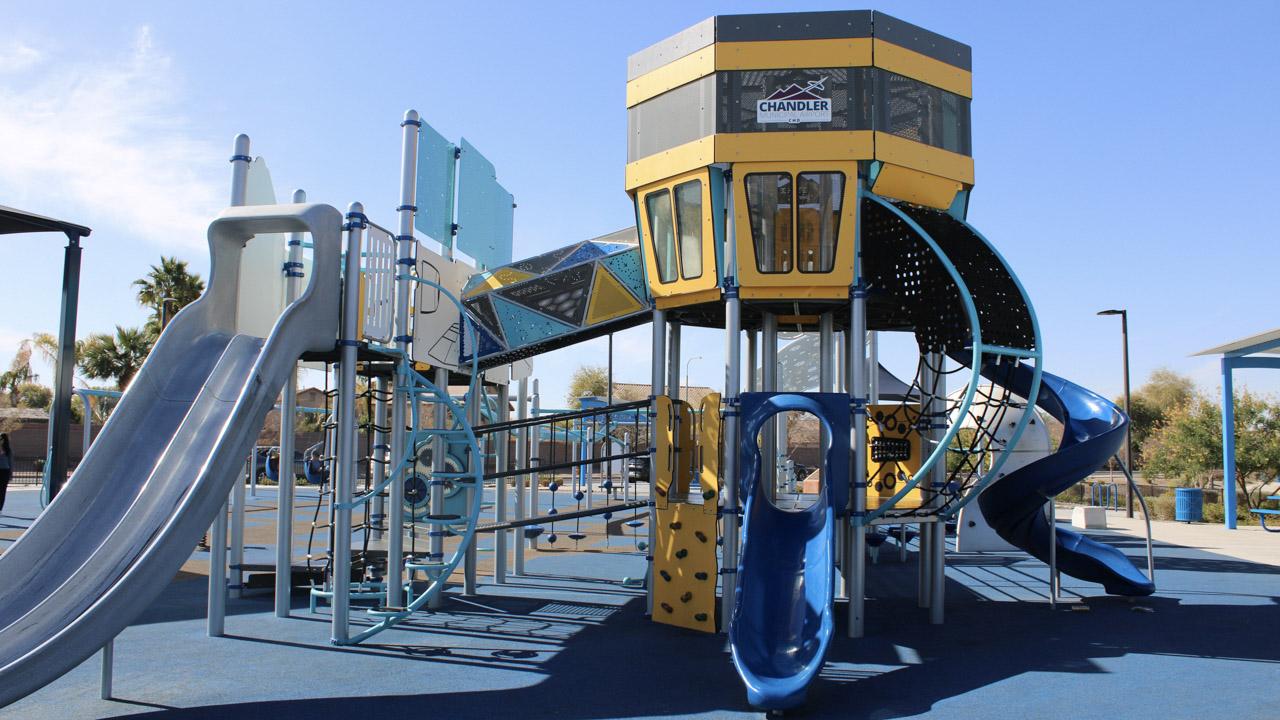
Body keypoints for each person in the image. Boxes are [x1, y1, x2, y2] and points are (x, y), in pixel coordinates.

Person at [0, 433, 12, 514]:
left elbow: (10, 461)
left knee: (2, 490)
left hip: (3, 471)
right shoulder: (8, 450)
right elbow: (10, 462)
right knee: (2, 490)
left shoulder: (7, 450)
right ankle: (0, 507)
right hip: (5, 471)